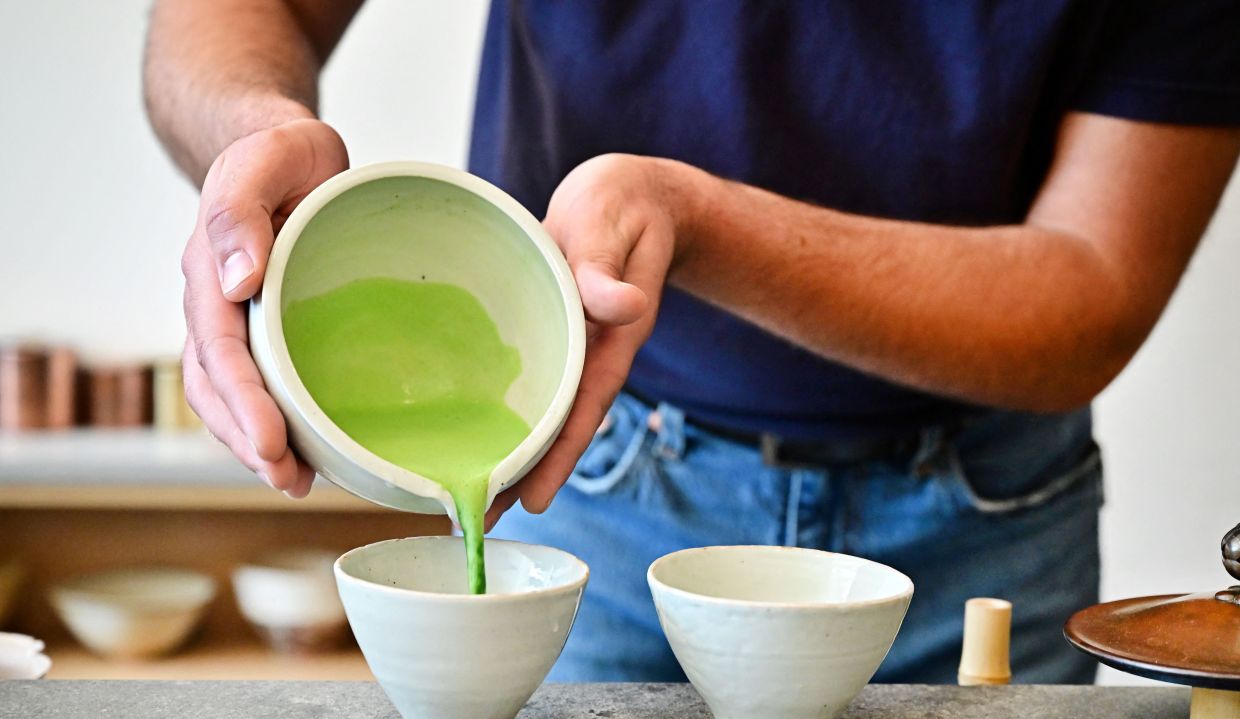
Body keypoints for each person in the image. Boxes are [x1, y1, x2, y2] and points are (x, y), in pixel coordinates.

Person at [145, 1, 1240, 683]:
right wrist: (255, 130)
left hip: (977, 527)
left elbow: (1095, 286)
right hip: (596, 490)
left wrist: (700, 221)